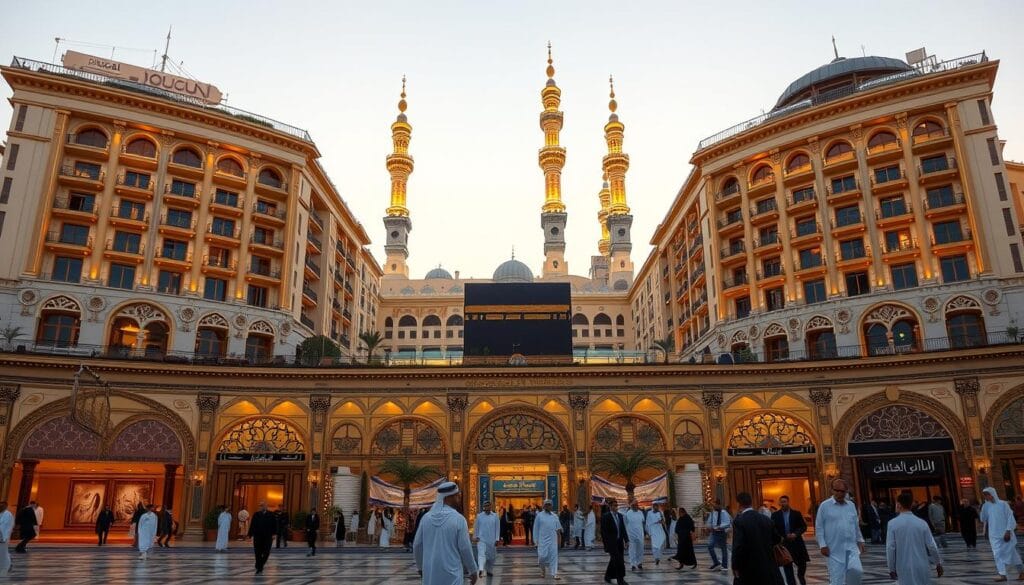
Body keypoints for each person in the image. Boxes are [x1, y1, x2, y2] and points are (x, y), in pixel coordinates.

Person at [412, 481, 478, 585]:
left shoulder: (426, 518)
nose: (458, 499)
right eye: (456, 496)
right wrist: (473, 570)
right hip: (452, 573)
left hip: (431, 572)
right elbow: (465, 547)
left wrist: (420, 567)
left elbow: (417, 545)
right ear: (448, 498)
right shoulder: (459, 519)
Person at [885, 491, 942, 584]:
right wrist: (938, 563)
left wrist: (891, 568)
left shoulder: (892, 524)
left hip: (903, 566)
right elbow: (932, 545)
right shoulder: (922, 523)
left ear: (898, 504)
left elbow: (890, 548)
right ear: (911, 505)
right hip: (922, 564)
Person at [815, 478, 864, 585]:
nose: (839, 493)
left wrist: (860, 540)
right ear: (832, 490)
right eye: (836, 490)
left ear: (846, 492)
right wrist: (822, 545)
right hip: (833, 550)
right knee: (837, 580)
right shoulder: (824, 506)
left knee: (856, 573)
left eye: (842, 491)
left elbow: (855, 525)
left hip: (851, 548)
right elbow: (819, 527)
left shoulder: (851, 506)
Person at [732, 491, 783, 585]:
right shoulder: (766, 519)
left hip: (749, 566)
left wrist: (735, 566)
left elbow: (738, 546)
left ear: (739, 504)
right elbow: (777, 539)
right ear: (751, 502)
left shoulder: (739, 521)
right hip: (767, 564)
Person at [981, 487, 1024, 582]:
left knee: (1013, 554)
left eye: (987, 494)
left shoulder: (1003, 504)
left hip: (1006, 534)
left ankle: (1021, 572)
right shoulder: (986, 506)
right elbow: (983, 519)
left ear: (992, 494)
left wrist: (1008, 531)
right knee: (997, 554)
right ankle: (1002, 574)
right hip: (994, 535)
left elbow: (1010, 518)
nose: (986, 496)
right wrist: (983, 508)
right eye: (985, 495)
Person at [772, 495, 810, 585]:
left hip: (797, 543)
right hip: (784, 545)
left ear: (788, 502)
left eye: (784, 502)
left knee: (802, 565)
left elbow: (803, 526)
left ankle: (801, 578)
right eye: (781, 502)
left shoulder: (796, 514)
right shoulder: (775, 515)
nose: (783, 504)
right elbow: (773, 529)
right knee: (787, 567)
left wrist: (795, 534)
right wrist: (781, 537)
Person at [600, 499, 629, 585]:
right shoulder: (606, 516)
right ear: (610, 506)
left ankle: (608, 576)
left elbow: (623, 529)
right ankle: (620, 580)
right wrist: (606, 545)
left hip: (619, 542)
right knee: (618, 561)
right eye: (614, 506)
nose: (616, 507)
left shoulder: (620, 516)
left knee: (615, 560)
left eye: (616, 505)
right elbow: (603, 532)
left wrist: (626, 540)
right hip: (611, 543)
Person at [533, 499, 562, 579]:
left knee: (554, 557)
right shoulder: (539, 516)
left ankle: (554, 573)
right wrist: (535, 541)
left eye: (549, 505)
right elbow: (535, 529)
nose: (548, 506)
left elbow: (558, 530)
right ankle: (543, 569)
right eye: (546, 504)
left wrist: (559, 541)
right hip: (542, 541)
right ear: (544, 506)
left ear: (551, 506)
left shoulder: (555, 516)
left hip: (553, 540)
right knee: (542, 557)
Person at [472, 500, 500, 578]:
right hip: (481, 539)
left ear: (491, 506)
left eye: (488, 505)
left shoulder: (495, 516)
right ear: (483, 507)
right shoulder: (479, 516)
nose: (487, 507)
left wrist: (497, 539)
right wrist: (475, 537)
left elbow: (497, 528)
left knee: (491, 557)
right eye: (485, 506)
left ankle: (489, 570)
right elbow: (476, 527)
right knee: (481, 554)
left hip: (492, 540)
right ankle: (481, 569)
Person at [248, 500, 277, 575]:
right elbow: (252, 524)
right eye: (260, 505)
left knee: (266, 552)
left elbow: (274, 524)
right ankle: (259, 567)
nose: (261, 507)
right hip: (258, 536)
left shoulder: (271, 514)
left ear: (266, 506)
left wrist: (274, 534)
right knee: (258, 552)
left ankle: (259, 564)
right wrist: (250, 534)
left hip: (268, 537)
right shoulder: (256, 514)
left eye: (263, 505)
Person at [706, 499, 731, 573]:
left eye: (714, 505)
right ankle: (716, 562)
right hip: (714, 532)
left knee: (723, 548)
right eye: (712, 505)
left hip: (722, 532)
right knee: (710, 546)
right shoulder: (712, 513)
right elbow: (709, 522)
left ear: (718, 504)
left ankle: (724, 565)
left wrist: (720, 526)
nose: (713, 506)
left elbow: (727, 523)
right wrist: (709, 527)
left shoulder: (724, 512)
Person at [622, 499, 646, 571]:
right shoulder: (627, 513)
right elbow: (625, 524)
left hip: (640, 534)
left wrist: (645, 532)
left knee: (640, 549)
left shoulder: (640, 513)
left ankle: (639, 562)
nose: (635, 506)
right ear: (631, 505)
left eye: (636, 505)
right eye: (634, 505)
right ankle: (632, 564)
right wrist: (626, 536)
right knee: (632, 550)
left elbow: (643, 522)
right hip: (631, 535)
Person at [645, 502, 668, 566]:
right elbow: (647, 522)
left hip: (660, 530)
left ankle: (659, 557)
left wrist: (661, 521)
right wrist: (648, 532)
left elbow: (663, 521)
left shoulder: (660, 512)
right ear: (653, 507)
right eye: (654, 507)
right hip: (653, 530)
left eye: (657, 507)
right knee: (654, 545)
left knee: (662, 542)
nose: (656, 508)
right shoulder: (649, 513)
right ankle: (656, 558)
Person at [0, 502, 13, 574]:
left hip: (4, 537)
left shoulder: (8, 514)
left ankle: (8, 566)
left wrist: (4, 537)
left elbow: (6, 527)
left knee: (4, 552)